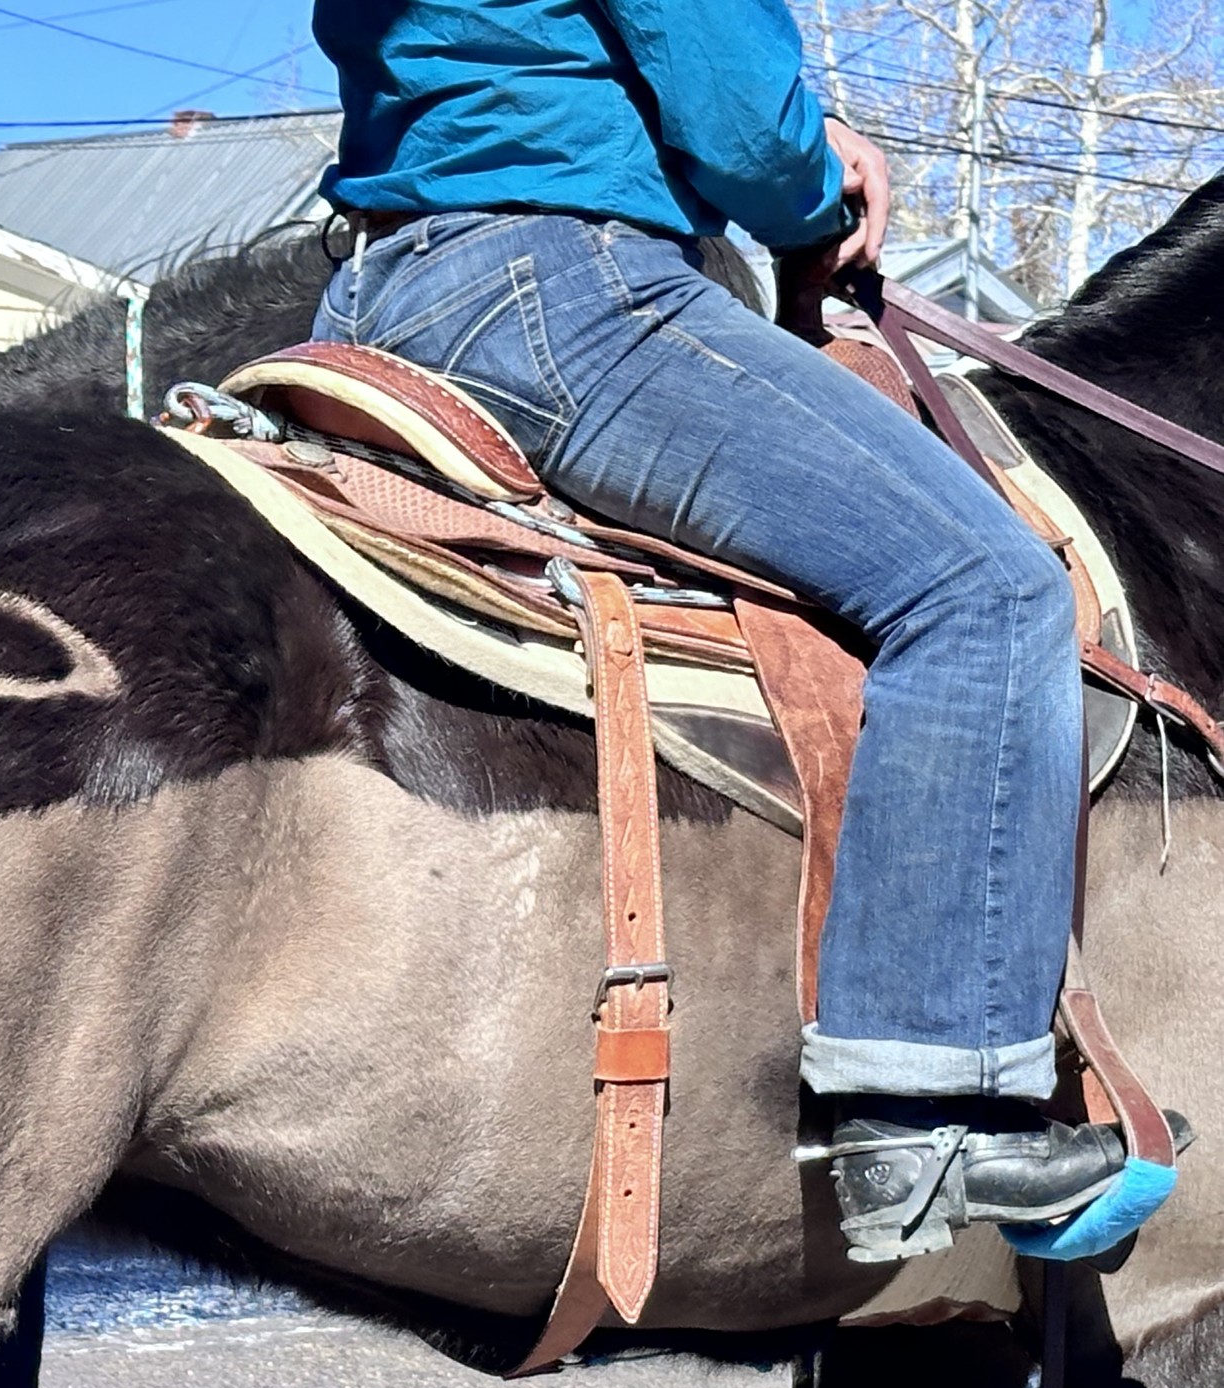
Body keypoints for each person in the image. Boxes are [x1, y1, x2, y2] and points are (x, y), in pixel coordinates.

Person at [309, 0, 1180, 1257]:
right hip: (568, 292)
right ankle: (921, 1109)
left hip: (373, 291)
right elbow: (742, 126)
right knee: (986, 590)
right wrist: (823, 188)